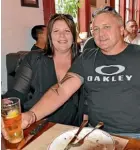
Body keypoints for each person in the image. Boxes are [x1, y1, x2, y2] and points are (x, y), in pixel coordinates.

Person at [3, 9, 140, 137]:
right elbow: (61, 89)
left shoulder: (137, 54)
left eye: (106, 27)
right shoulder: (86, 58)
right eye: (95, 29)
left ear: (122, 30)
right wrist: (32, 115)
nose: (100, 34)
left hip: (134, 134)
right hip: (95, 133)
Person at [3, 14, 84, 126]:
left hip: (69, 129)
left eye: (67, 31)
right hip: (36, 124)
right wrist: (6, 103)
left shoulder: (84, 61)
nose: (62, 36)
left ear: (73, 35)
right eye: (56, 31)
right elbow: (17, 93)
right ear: (50, 36)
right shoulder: (34, 58)